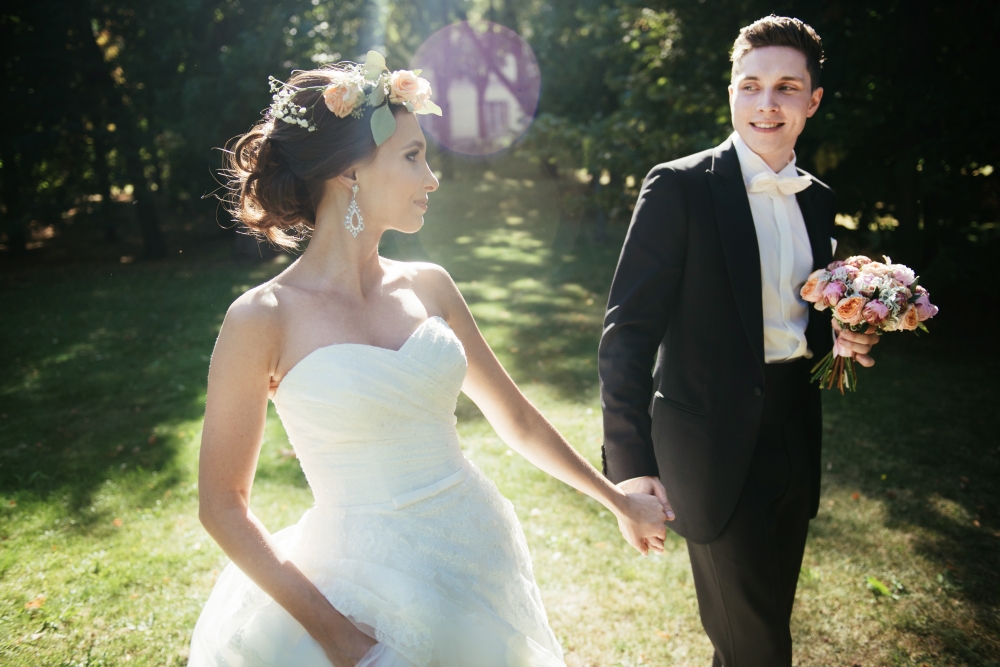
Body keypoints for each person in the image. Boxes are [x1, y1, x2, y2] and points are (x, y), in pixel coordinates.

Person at [189, 56, 667, 667]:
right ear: (349, 171)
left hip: (475, 556)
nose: (433, 179)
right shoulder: (263, 317)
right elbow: (222, 505)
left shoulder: (430, 285)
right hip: (358, 589)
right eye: (413, 157)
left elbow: (517, 419)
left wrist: (618, 500)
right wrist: (340, 640)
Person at [598, 16, 880, 667]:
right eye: (750, 85)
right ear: (731, 92)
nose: (766, 103)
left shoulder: (817, 199)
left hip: (794, 435)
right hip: (710, 449)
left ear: (813, 101)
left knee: (756, 633)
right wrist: (631, 464)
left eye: (786, 88)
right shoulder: (680, 186)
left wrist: (846, 334)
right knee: (760, 649)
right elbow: (627, 334)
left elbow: (800, 316)